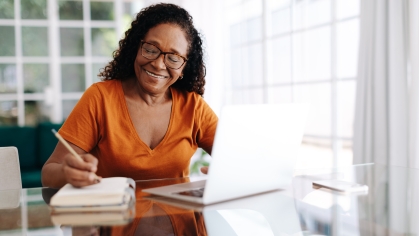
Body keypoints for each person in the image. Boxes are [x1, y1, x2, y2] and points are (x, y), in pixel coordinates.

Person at [41, 3, 218, 188]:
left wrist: (227, 172)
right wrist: (67, 173)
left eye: (173, 58)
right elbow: (49, 173)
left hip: (179, 216)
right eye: (150, 49)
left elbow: (239, 161)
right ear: (136, 47)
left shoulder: (193, 107)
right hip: (115, 215)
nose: (158, 64)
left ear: (184, 67)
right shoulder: (100, 98)